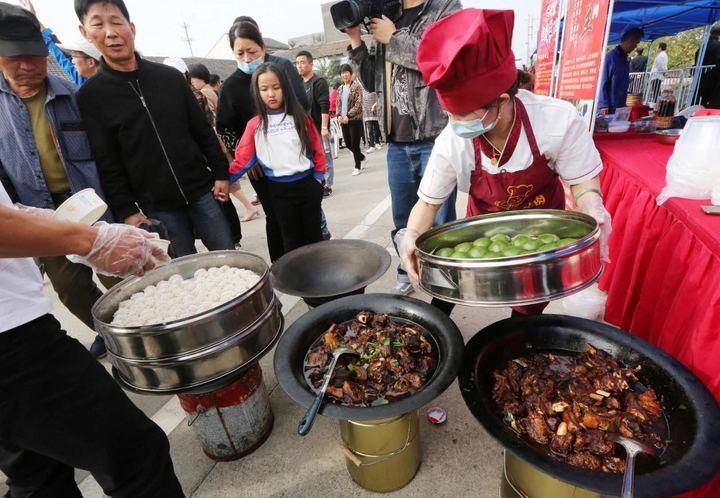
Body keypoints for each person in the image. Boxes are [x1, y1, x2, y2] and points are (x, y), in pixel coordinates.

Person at [399, 8, 612, 319]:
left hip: (540, 236)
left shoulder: (555, 121)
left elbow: (583, 183)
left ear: (500, 100)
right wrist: (412, 234)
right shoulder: (452, 142)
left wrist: (593, 206)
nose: (455, 123)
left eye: (463, 114)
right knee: (455, 284)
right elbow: (427, 204)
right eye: (450, 114)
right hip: (483, 234)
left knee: (526, 309)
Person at [0, 180, 183, 497]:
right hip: (13, 343)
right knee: (135, 457)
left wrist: (56, 225)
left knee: (38, 474)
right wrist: (88, 240)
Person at [76, 0, 235, 258]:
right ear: (85, 33)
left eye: (117, 22)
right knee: (181, 272)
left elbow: (202, 130)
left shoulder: (169, 78)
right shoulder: (91, 96)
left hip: (202, 190)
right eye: (98, 24)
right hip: (157, 207)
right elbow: (107, 160)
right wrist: (126, 209)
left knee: (229, 258)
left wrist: (220, 172)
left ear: (132, 27)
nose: (110, 32)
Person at [0, 1, 112, 358]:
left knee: (117, 275)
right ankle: (108, 333)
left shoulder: (70, 94)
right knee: (71, 288)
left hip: (89, 203)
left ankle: (137, 331)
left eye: (34, 56)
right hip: (37, 214)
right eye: (15, 57)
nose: (27, 66)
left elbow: (103, 152)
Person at [346, 0, 460, 295]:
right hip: (397, 139)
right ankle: (407, 268)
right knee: (402, 220)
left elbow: (446, 62)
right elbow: (373, 83)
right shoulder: (389, 12)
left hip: (435, 136)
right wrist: (357, 41)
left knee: (440, 221)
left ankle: (444, 278)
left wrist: (394, 37)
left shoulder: (445, 8)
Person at [216, 18, 308, 262]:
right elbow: (224, 128)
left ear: (263, 48)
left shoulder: (278, 75)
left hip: (290, 160)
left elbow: (301, 108)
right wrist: (247, 157)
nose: (247, 58)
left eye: (252, 51)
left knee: (302, 212)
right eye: (240, 53)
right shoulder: (231, 86)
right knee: (275, 215)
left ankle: (308, 260)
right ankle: (282, 265)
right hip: (259, 169)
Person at [229, 62, 326, 254]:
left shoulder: (300, 118)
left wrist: (319, 176)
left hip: (308, 185)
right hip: (279, 191)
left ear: (285, 88)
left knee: (315, 236)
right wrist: (225, 181)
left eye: (276, 87)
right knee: (291, 240)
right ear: (257, 92)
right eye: (264, 89)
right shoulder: (255, 125)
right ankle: (297, 282)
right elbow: (242, 159)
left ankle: (319, 279)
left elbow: (317, 148)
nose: (271, 94)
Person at [20, 0, 101, 86]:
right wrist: (35, 20)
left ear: (91, 62)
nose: (72, 61)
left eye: (73, 57)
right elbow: (59, 54)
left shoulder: (104, 88)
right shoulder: (82, 80)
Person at [295, 50, 334, 196]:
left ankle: (328, 184)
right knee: (311, 157)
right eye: (297, 63)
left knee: (325, 156)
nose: (299, 66)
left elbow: (325, 105)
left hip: (319, 126)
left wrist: (324, 127)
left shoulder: (319, 82)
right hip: (305, 128)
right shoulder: (298, 84)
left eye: (303, 62)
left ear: (311, 64)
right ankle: (318, 182)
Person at [599, 27, 644, 114]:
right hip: (607, 108)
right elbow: (602, 83)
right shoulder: (610, 58)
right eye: (635, 43)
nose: (635, 47)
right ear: (630, 40)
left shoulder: (625, 61)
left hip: (619, 106)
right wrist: (603, 105)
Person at [337, 64, 365, 176]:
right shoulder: (340, 88)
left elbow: (358, 104)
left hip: (354, 119)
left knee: (354, 144)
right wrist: (339, 115)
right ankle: (362, 157)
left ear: (351, 73)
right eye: (342, 73)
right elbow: (337, 104)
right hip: (343, 119)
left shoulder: (357, 86)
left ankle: (357, 166)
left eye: (346, 72)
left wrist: (348, 116)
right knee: (348, 143)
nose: (344, 74)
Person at [697, 26, 720, 109]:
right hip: (712, 80)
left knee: (701, 101)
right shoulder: (717, 45)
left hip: (700, 77)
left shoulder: (702, 46)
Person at [363, 88, 383, 153]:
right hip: (367, 113)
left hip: (375, 112)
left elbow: (379, 98)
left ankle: (377, 142)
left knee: (377, 128)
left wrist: (374, 106)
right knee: (370, 130)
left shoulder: (374, 88)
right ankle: (372, 145)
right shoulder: (363, 90)